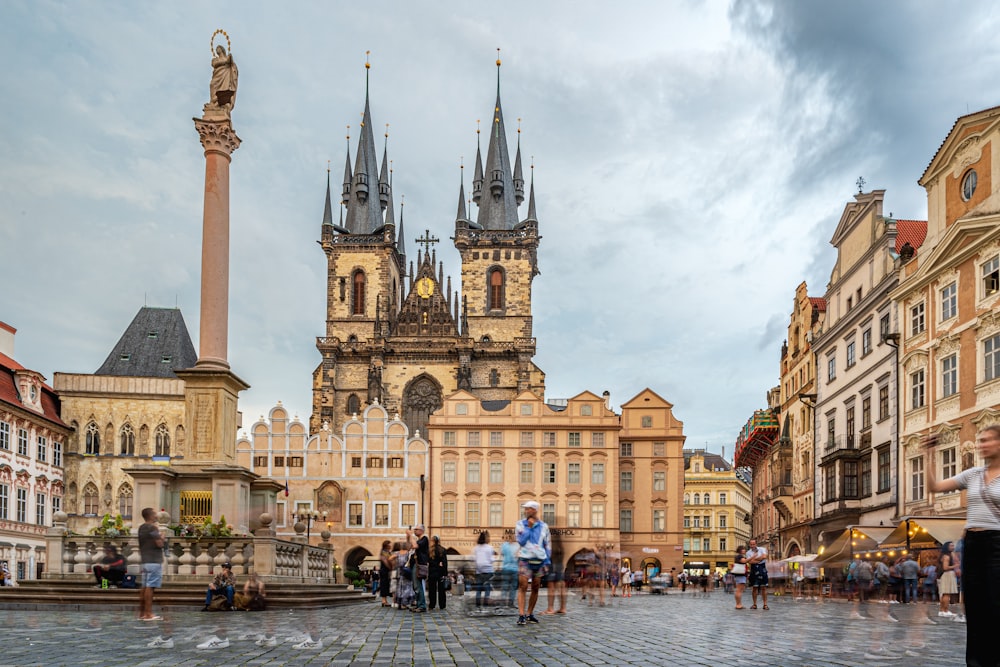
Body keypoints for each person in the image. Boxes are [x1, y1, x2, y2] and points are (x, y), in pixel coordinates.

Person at [929, 425, 1000, 666]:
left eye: (987, 440)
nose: (981, 445)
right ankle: (976, 662)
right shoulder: (973, 474)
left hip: (996, 542)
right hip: (972, 543)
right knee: (975, 605)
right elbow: (935, 487)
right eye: (979, 440)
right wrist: (930, 454)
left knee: (994, 604)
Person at [515, 500, 551, 626]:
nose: (526, 511)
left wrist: (547, 560)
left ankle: (529, 613)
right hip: (525, 559)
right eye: (525, 509)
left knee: (536, 587)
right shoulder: (520, 524)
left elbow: (547, 544)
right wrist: (529, 529)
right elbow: (521, 541)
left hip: (539, 560)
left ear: (535, 510)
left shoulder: (544, 526)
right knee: (523, 586)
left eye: (528, 509)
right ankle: (521, 614)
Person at [137, 507, 164, 621]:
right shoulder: (153, 528)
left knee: (144, 586)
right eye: (155, 514)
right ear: (151, 516)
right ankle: (149, 614)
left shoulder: (141, 528)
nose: (156, 515)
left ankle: (142, 613)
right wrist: (162, 537)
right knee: (150, 587)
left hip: (145, 560)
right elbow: (159, 544)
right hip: (154, 560)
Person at [209, 44, 238, 111]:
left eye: (218, 48)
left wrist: (231, 60)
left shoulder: (227, 57)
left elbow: (233, 67)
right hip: (217, 74)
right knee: (212, 84)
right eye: (216, 49)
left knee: (225, 87)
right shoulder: (215, 59)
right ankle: (213, 101)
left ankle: (221, 102)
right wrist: (225, 61)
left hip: (226, 75)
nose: (216, 50)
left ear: (222, 50)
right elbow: (214, 64)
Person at [406, 525, 429, 612]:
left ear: (421, 530)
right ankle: (418, 604)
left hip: (419, 564)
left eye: (416, 529)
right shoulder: (419, 540)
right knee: (415, 585)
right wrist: (408, 537)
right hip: (414, 564)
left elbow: (415, 546)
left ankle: (422, 605)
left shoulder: (424, 539)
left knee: (417, 585)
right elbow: (409, 547)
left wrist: (411, 536)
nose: (414, 531)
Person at [935, 541, 960, 617]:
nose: (953, 547)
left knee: (945, 594)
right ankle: (945, 610)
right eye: (951, 546)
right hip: (948, 574)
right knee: (947, 593)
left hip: (946, 575)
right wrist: (955, 565)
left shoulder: (945, 555)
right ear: (947, 547)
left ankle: (942, 610)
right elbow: (945, 567)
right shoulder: (947, 556)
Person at [473, 531, 495, 612]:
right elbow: (491, 559)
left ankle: (478, 605)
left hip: (479, 571)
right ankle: (485, 606)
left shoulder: (476, 548)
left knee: (478, 589)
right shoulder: (489, 548)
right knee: (487, 589)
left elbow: (474, 559)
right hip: (488, 571)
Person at [746, 538, 769, 610]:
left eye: (754, 544)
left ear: (756, 544)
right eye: (751, 544)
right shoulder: (748, 552)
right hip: (754, 569)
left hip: (762, 569)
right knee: (754, 588)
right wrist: (760, 559)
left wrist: (755, 559)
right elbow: (750, 562)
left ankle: (765, 604)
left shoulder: (762, 549)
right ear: (749, 544)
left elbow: (765, 556)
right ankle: (754, 604)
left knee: (764, 587)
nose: (752, 545)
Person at [427, 536, 449, 611]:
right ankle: (442, 605)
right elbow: (445, 562)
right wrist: (445, 573)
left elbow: (428, 561)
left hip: (432, 571)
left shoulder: (429, 550)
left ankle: (432, 605)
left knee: (432, 589)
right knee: (441, 589)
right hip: (440, 571)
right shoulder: (442, 549)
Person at [500, 535, 519, 607]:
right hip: (515, 569)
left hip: (506, 568)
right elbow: (519, 556)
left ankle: (503, 602)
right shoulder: (518, 546)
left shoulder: (504, 545)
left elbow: (501, 554)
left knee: (504, 586)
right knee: (513, 587)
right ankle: (511, 603)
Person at [378, 540, 393, 607]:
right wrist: (391, 568)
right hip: (384, 571)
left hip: (386, 571)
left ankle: (385, 600)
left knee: (386, 585)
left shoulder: (387, 552)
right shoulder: (384, 552)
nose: (391, 545)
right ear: (387, 545)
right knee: (384, 585)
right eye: (390, 544)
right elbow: (385, 562)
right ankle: (384, 600)